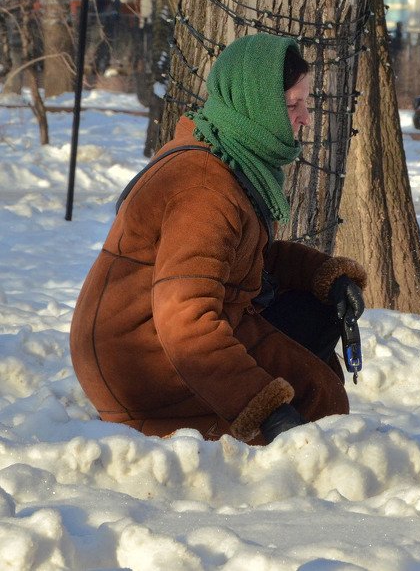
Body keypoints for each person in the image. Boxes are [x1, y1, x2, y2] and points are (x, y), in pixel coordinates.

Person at [71, 33, 367, 445]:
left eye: (305, 103)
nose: (305, 119)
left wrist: (326, 276)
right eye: (292, 105)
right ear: (257, 107)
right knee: (319, 402)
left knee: (316, 327)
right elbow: (185, 317)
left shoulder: (226, 153)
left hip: (153, 342)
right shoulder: (205, 189)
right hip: (142, 364)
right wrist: (265, 408)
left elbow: (244, 257)